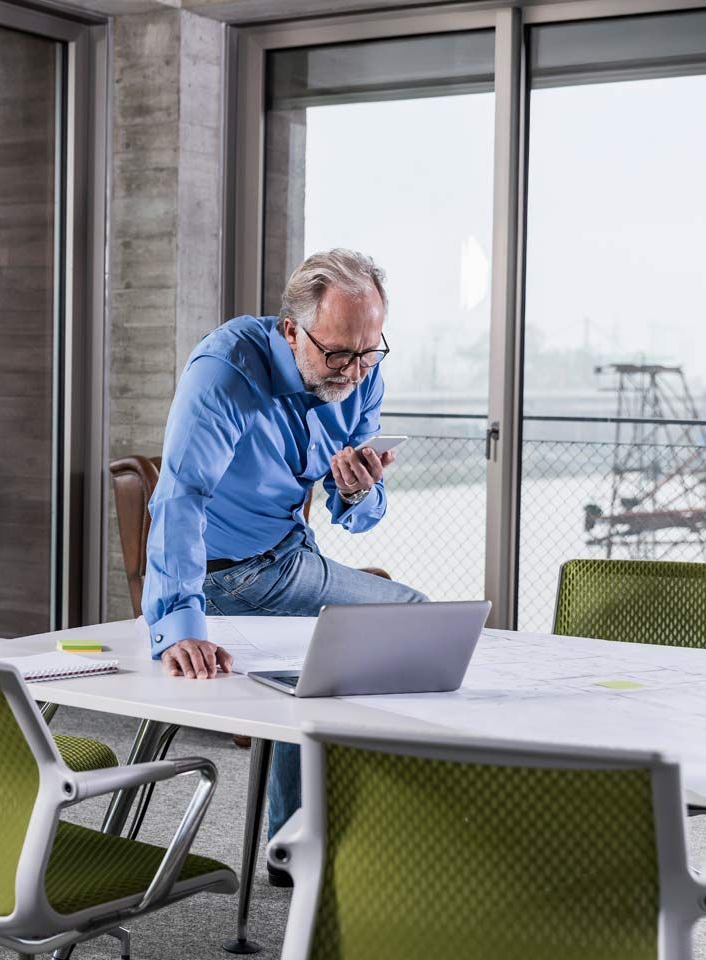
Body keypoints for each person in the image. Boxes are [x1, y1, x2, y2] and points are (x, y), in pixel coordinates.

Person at [141, 248, 426, 886]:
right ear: (293, 330)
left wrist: (356, 489)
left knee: (324, 661)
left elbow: (358, 517)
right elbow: (181, 496)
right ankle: (353, 836)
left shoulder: (362, 371)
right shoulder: (226, 371)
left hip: (289, 557)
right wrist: (179, 624)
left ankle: (296, 845)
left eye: (369, 352)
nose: (355, 371)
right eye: (339, 355)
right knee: (412, 618)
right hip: (227, 574)